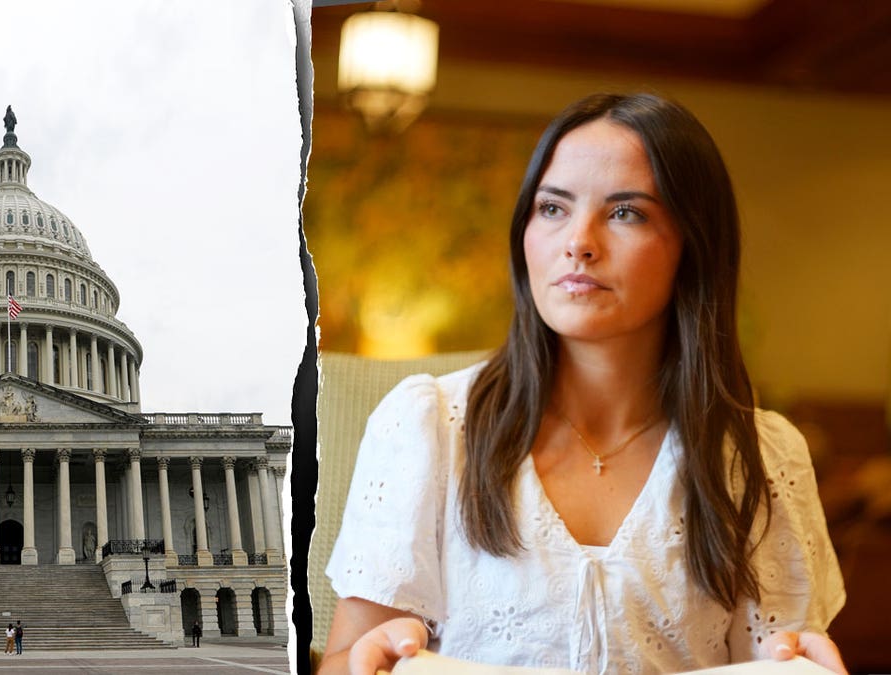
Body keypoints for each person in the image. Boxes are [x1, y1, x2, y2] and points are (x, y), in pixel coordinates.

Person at [320, 93, 847, 675]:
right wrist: (371, 660)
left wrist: (807, 666)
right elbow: (344, 661)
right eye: (553, 208)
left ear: (692, 248)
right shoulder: (428, 426)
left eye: (626, 213)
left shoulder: (760, 457)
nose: (579, 241)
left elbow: (774, 662)